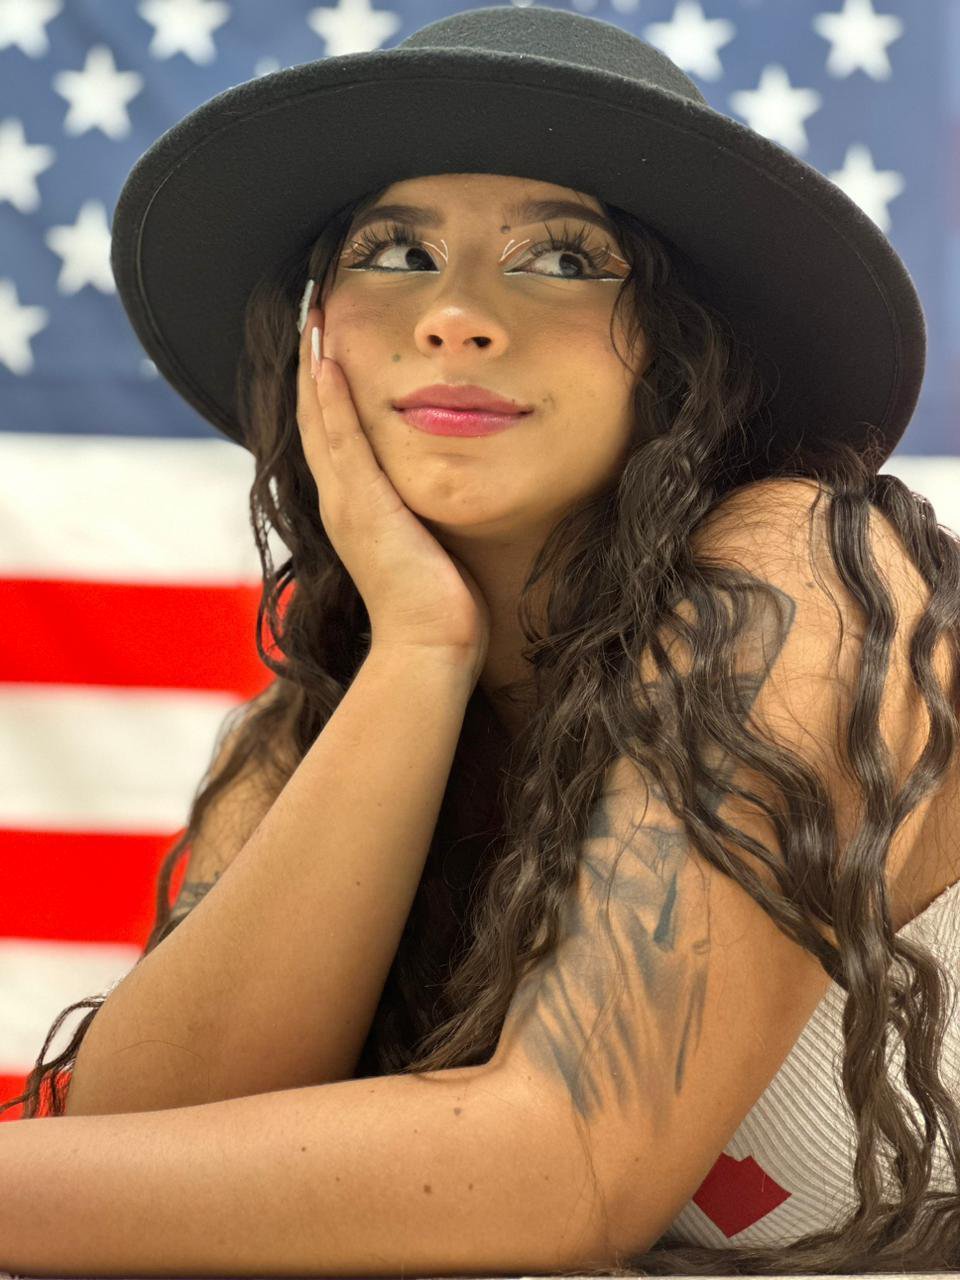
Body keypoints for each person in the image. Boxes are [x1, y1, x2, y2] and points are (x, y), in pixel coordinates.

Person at [2, 6, 959, 1275]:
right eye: (395, 251)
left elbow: (573, 1161)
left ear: (682, 351)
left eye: (563, 258)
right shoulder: (318, 718)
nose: (455, 315)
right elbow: (140, 1148)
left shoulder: (806, 574)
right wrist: (418, 648)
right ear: (315, 333)